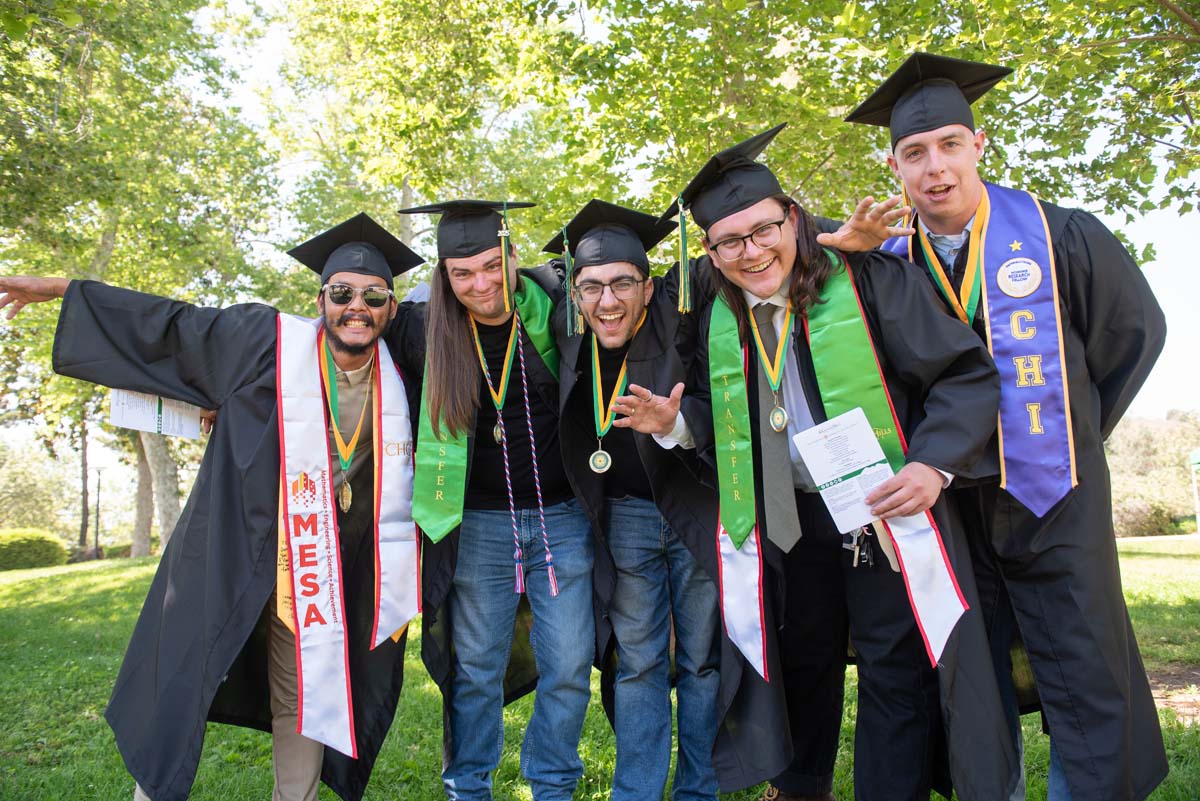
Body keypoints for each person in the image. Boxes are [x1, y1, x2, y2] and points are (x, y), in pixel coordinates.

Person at [630, 124, 1019, 801]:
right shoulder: (713, 313)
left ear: (795, 220)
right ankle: (799, 790)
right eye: (731, 241)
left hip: (881, 511)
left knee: (893, 670)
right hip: (789, 518)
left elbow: (964, 374)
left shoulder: (865, 277)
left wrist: (932, 464)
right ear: (711, 254)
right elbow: (715, 418)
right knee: (802, 665)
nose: (753, 252)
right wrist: (675, 426)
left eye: (764, 229)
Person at [0, 212, 425, 801]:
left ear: (391, 308)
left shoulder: (405, 370)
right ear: (319, 299)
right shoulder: (264, 342)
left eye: (374, 296)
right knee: (183, 673)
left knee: (307, 691)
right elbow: (171, 327)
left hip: (316, 573)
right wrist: (57, 290)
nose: (358, 306)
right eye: (342, 293)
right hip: (233, 545)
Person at [844, 51, 1169, 801]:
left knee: (1085, 660)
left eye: (950, 145)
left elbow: (1132, 336)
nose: (935, 168)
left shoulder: (1062, 238)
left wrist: (1071, 427)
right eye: (915, 153)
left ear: (979, 145)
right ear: (894, 165)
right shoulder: (888, 263)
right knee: (972, 672)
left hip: (1056, 491)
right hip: (950, 502)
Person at [397, 200, 594, 801]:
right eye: (462, 273)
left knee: (566, 664)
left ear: (513, 254)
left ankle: (553, 783)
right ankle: (469, 787)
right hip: (477, 523)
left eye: (492, 264)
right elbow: (335, 345)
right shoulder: (420, 327)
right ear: (444, 277)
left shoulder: (561, 307)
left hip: (562, 517)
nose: (481, 284)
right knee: (477, 669)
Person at [542, 198, 722, 800]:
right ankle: (637, 793)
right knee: (640, 663)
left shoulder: (682, 323)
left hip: (695, 509)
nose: (608, 300)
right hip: (625, 522)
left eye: (623, 282)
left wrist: (674, 422)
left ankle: (698, 791)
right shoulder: (569, 343)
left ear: (648, 288)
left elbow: (715, 401)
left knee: (700, 659)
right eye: (591, 286)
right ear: (575, 294)